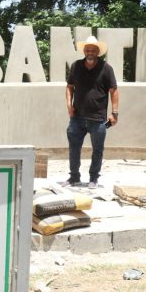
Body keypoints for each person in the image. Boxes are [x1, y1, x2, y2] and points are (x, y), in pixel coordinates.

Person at [63, 35, 119, 188]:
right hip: (77, 117)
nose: (90, 52)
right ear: (84, 51)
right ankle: (74, 177)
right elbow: (69, 87)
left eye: (93, 50)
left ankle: (93, 178)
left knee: (97, 150)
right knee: (74, 148)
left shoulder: (106, 68)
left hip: (98, 119)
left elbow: (113, 91)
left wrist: (115, 113)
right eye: (88, 49)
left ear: (98, 52)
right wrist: (69, 106)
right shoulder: (76, 66)